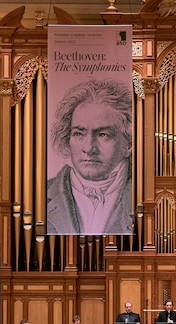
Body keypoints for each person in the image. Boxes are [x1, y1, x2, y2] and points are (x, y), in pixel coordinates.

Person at [47, 77, 133, 235]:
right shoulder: (42, 194)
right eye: (79, 133)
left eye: (103, 134)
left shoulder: (144, 193)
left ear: (128, 144)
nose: (88, 148)